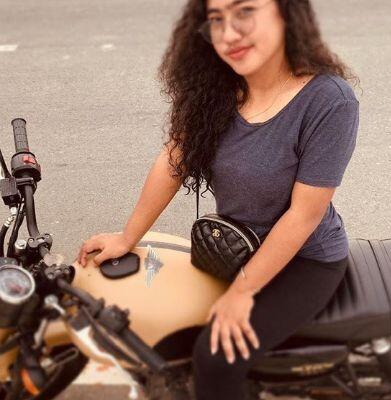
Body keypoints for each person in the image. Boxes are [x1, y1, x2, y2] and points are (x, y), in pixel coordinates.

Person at [76, 0, 361, 398]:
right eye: (216, 19)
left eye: (245, 11)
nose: (228, 33)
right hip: (235, 246)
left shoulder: (330, 101)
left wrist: (241, 293)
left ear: (286, 13)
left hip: (304, 260)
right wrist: (128, 237)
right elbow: (174, 160)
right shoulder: (219, 85)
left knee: (214, 358)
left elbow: (303, 215)